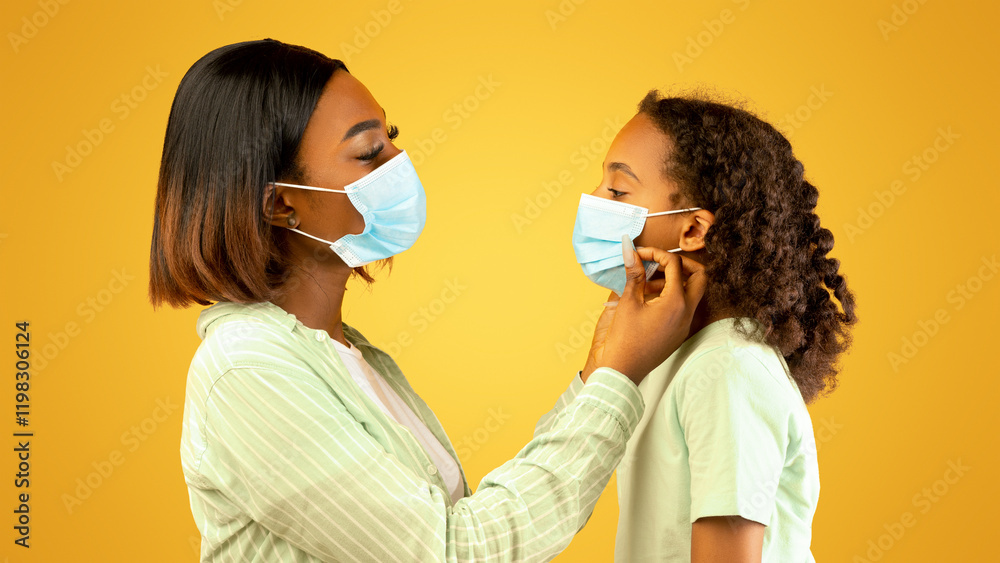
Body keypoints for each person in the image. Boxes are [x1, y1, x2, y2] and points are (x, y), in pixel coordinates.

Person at [149, 39, 705, 562]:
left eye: (391, 134)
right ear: (280, 206)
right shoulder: (248, 371)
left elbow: (466, 520)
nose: (401, 161)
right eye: (369, 153)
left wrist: (599, 367)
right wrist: (615, 379)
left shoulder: (344, 356)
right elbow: (455, 550)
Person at [561, 91, 857, 562]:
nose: (594, 200)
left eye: (618, 191)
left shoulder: (727, 370)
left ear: (694, 230)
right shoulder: (673, 356)